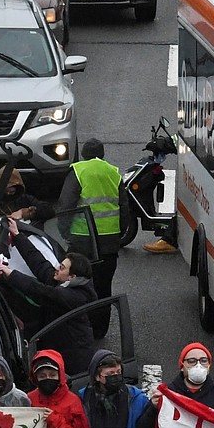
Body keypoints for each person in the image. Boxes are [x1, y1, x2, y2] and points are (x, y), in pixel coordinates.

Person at [0, 217, 98, 375]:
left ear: (72, 277)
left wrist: (11, 274)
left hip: (73, 358)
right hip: (59, 347)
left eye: (62, 267)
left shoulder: (73, 297)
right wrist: (17, 235)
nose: (57, 268)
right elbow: (39, 263)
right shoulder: (64, 281)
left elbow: (40, 291)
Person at [57, 138, 130, 339]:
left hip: (82, 242)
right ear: (103, 154)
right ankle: (100, 330)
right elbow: (124, 207)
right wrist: (119, 233)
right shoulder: (113, 173)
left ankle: (81, 328)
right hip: (108, 244)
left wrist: (64, 232)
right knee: (103, 287)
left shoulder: (78, 172)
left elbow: (66, 205)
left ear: (83, 155)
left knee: (79, 285)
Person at [0, 167, 54, 260]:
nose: (9, 194)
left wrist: (25, 212)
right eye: (5, 191)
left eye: (12, 191)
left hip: (19, 254)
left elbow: (48, 210)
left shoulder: (24, 200)